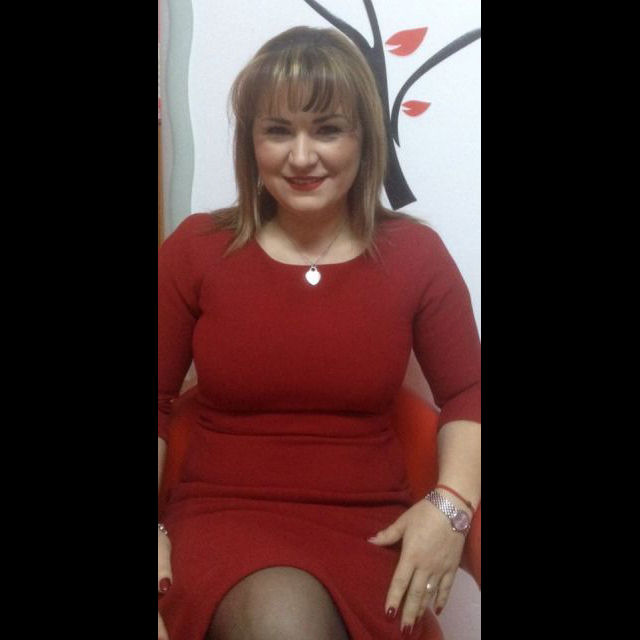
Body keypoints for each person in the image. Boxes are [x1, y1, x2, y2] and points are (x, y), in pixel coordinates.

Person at [158, 25, 480, 640]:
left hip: (370, 531)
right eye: (278, 131)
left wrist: (450, 508)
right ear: (251, 142)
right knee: (282, 620)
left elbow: (470, 393)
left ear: (364, 138)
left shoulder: (415, 254)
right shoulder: (196, 249)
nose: (302, 157)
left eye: (327, 129)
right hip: (221, 518)